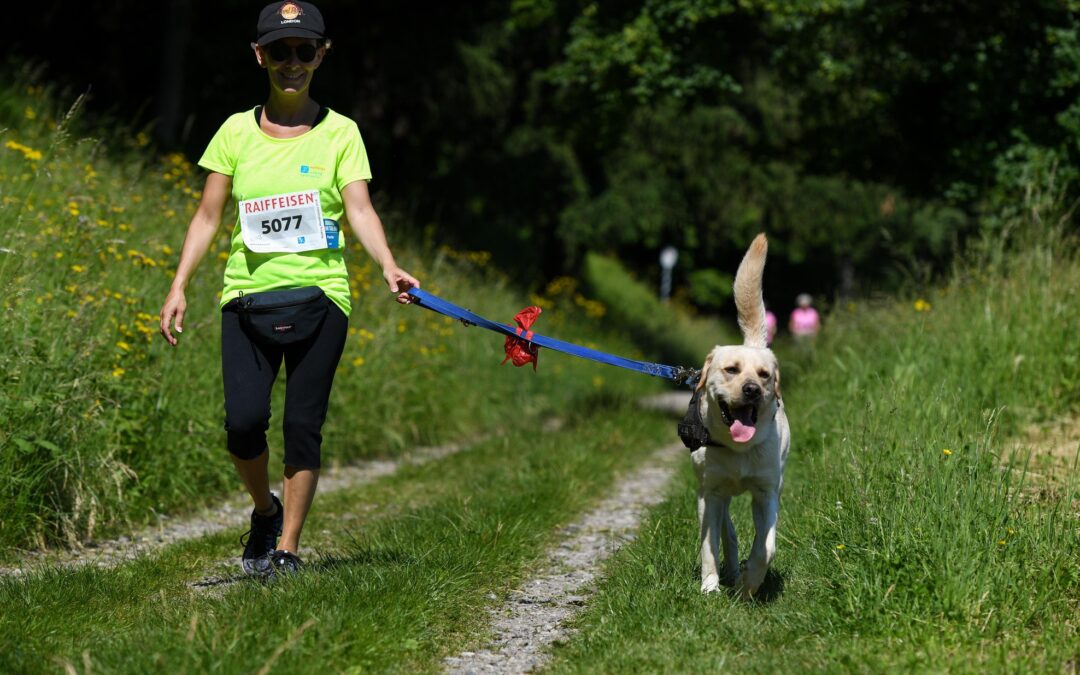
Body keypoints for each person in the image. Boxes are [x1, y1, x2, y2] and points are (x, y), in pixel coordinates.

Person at [158, 1, 419, 577]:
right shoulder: (233, 131)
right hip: (245, 300)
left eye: (305, 50)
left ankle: (288, 550)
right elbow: (206, 217)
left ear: (322, 54)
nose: (292, 62)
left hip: (322, 298)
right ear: (261, 56)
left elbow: (360, 209)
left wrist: (388, 264)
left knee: (303, 424)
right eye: (281, 50)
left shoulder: (342, 133)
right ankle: (264, 510)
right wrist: (179, 285)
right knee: (243, 424)